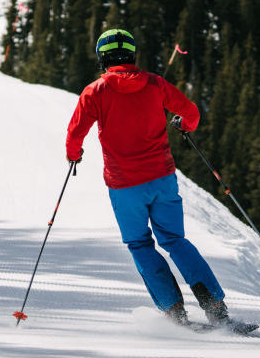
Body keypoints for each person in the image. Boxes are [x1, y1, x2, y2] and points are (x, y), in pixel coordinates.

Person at [65, 28, 230, 327]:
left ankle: (174, 313)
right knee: (175, 240)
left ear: (103, 59)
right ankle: (215, 307)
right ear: (131, 55)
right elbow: (191, 113)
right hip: (162, 179)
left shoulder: (95, 91)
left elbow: (75, 132)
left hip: (124, 186)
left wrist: (74, 155)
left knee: (141, 245)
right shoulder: (155, 84)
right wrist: (183, 124)